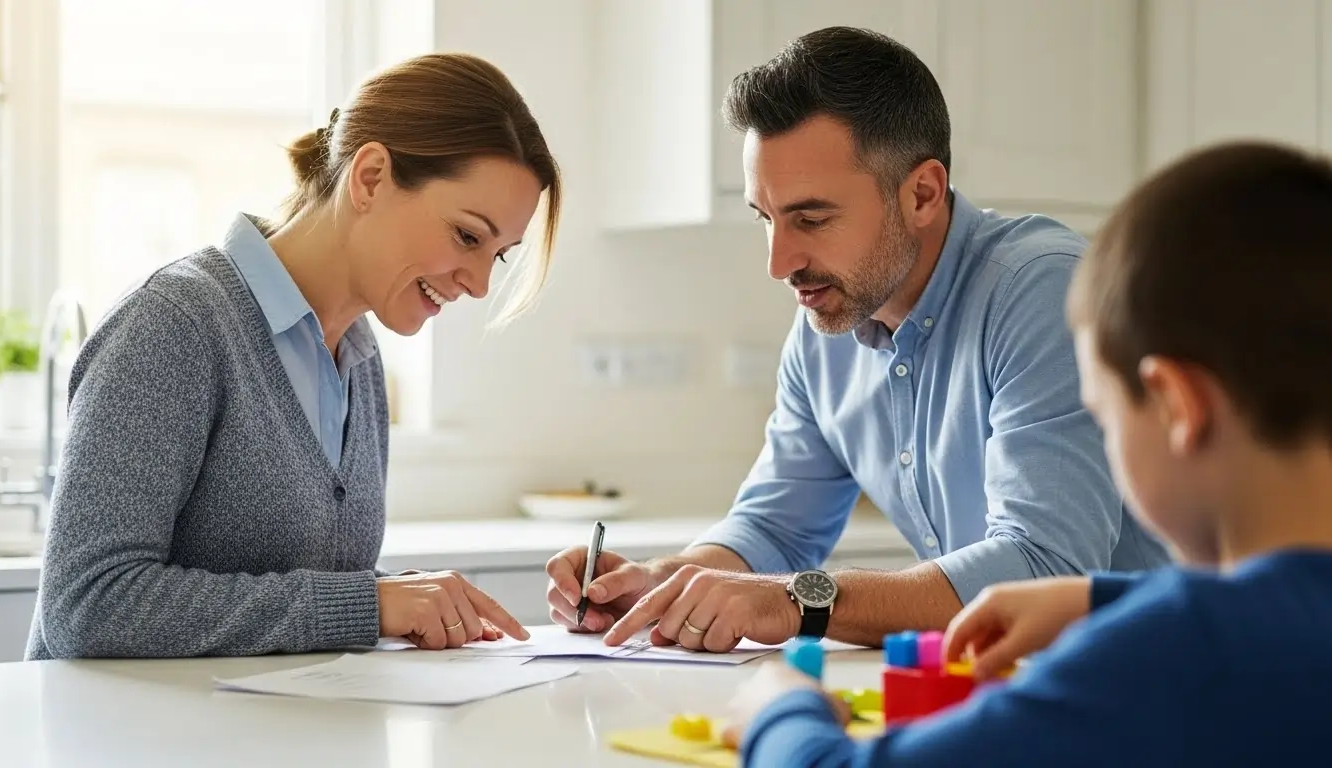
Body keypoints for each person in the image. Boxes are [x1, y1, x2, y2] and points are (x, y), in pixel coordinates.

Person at [545, 26, 1168, 651]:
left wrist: (797, 602)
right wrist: (668, 582)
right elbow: (775, 529)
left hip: (1155, 687)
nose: (779, 261)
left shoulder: (1040, 290)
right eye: (766, 218)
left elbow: (1045, 568)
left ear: (921, 193)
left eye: (811, 218)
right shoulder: (827, 325)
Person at [720, 140, 1332, 766]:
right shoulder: (1238, 634)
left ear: (1179, 408)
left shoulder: (1167, 654)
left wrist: (780, 706)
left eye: (1103, 414)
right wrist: (1100, 600)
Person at [25, 52, 561, 660]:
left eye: (498, 254)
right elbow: (88, 606)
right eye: (467, 235)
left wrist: (396, 601)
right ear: (371, 177)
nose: (478, 284)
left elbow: (287, 595)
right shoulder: (175, 324)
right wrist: (368, 605)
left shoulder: (359, 360)